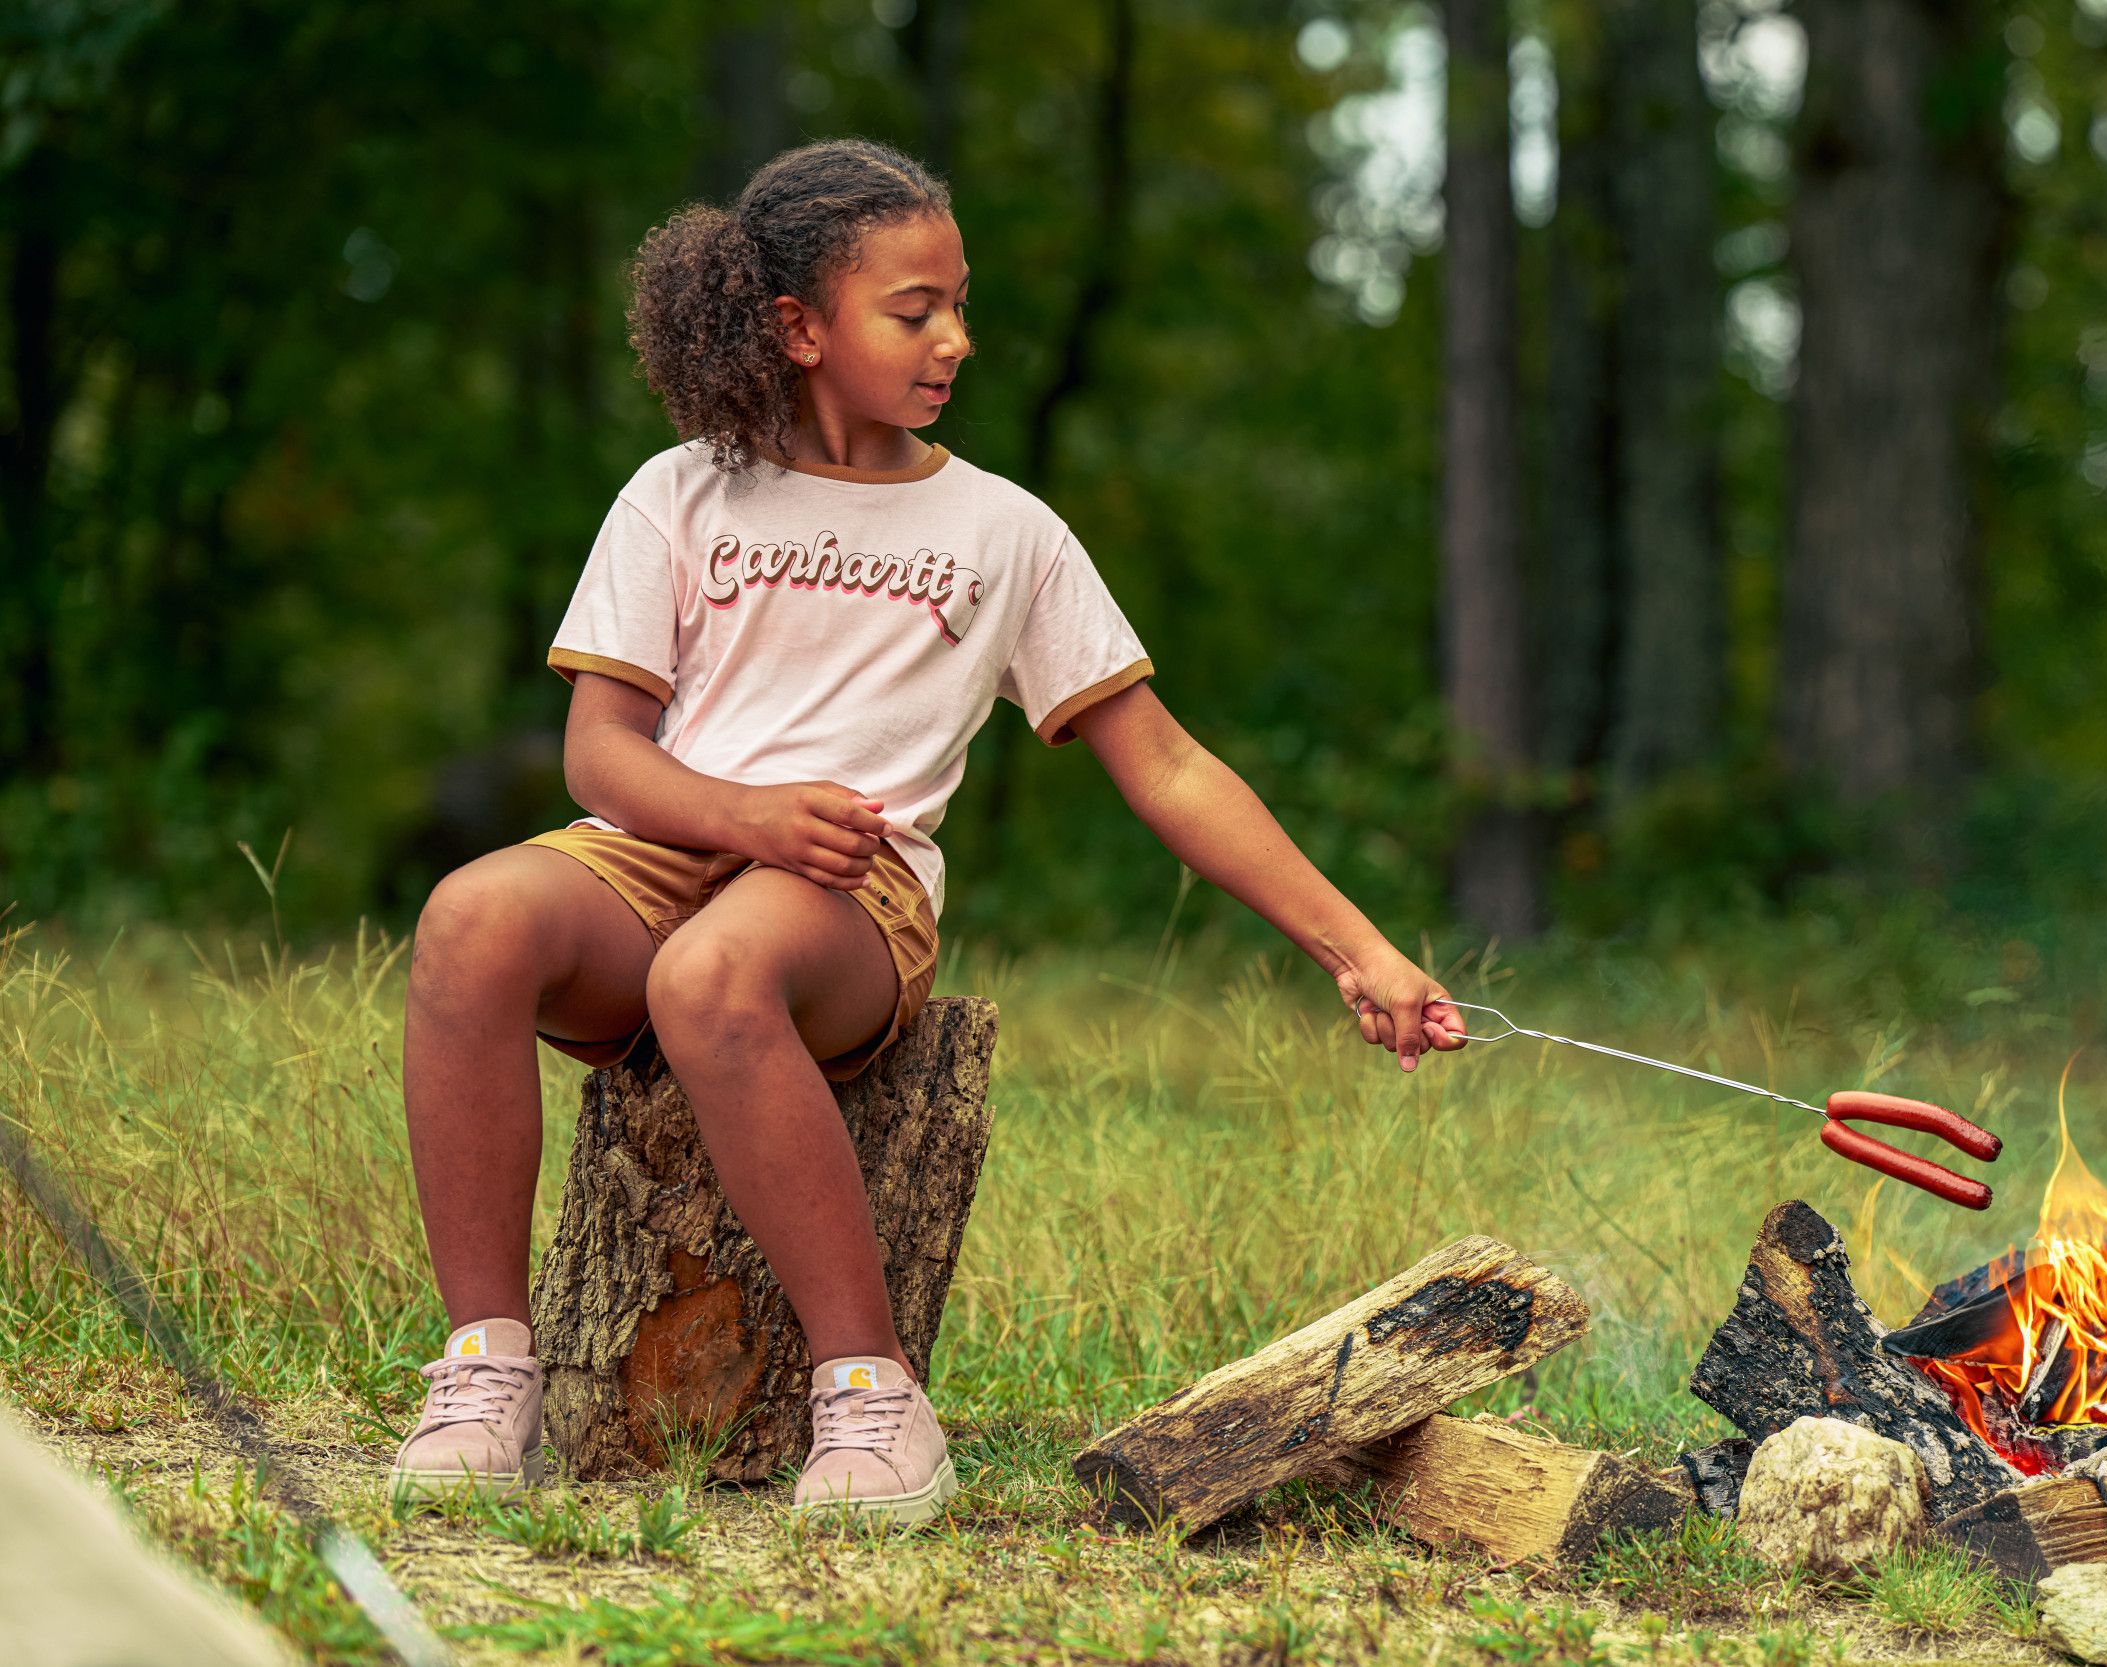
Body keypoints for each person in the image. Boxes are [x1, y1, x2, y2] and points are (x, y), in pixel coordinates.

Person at [388, 138, 1468, 1527]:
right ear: (798, 326)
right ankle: (487, 1367)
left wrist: (1360, 949)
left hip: (849, 892)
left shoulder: (1002, 530)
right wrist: (741, 813)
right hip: (661, 850)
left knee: (711, 976)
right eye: (914, 310)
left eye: (959, 302)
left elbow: (1169, 764)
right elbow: (600, 753)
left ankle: (873, 1399)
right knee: (470, 917)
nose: (954, 337)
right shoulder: (679, 492)